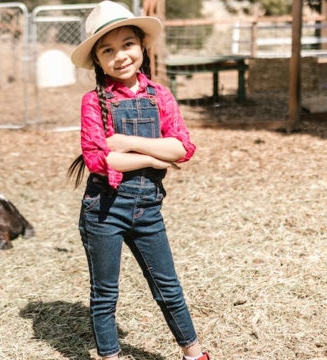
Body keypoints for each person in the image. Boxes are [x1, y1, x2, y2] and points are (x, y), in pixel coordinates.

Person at [66, 2, 209, 360]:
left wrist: (131, 144)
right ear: (97, 60)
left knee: (168, 286)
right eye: (108, 50)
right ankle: (110, 355)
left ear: (142, 46)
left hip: (148, 210)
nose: (120, 56)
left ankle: (194, 353)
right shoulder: (93, 102)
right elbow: (101, 159)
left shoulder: (160, 95)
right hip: (104, 211)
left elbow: (182, 147)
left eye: (128, 44)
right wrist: (153, 157)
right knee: (105, 293)